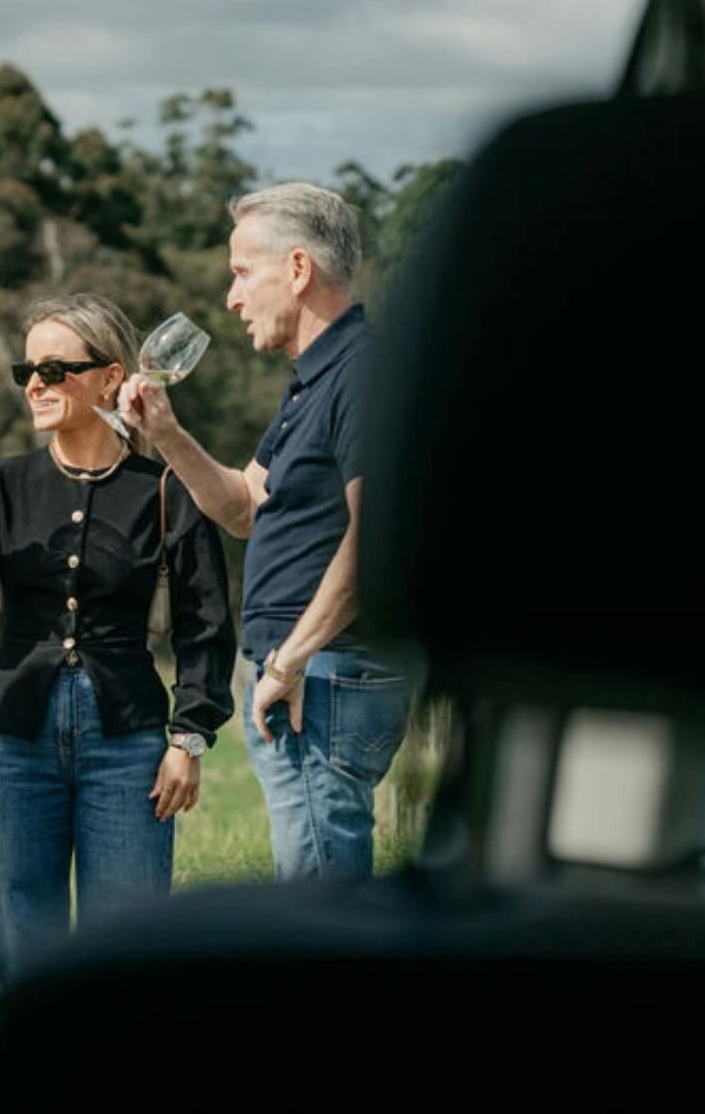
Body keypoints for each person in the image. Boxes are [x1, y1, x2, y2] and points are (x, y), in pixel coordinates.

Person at [0, 293, 235, 988]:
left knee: (129, 943)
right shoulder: (2, 482)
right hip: (16, 742)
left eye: (55, 369)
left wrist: (190, 737)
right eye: (28, 369)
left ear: (110, 377)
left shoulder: (167, 489)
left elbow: (204, 621)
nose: (35, 382)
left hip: (129, 744)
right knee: (24, 942)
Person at [120, 182, 419, 882]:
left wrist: (288, 660)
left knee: (321, 901)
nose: (231, 296)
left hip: (322, 675)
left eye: (241, 271)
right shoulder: (315, 378)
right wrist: (166, 434)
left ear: (296, 269)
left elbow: (377, 534)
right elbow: (244, 506)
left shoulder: (360, 372)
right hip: (313, 672)